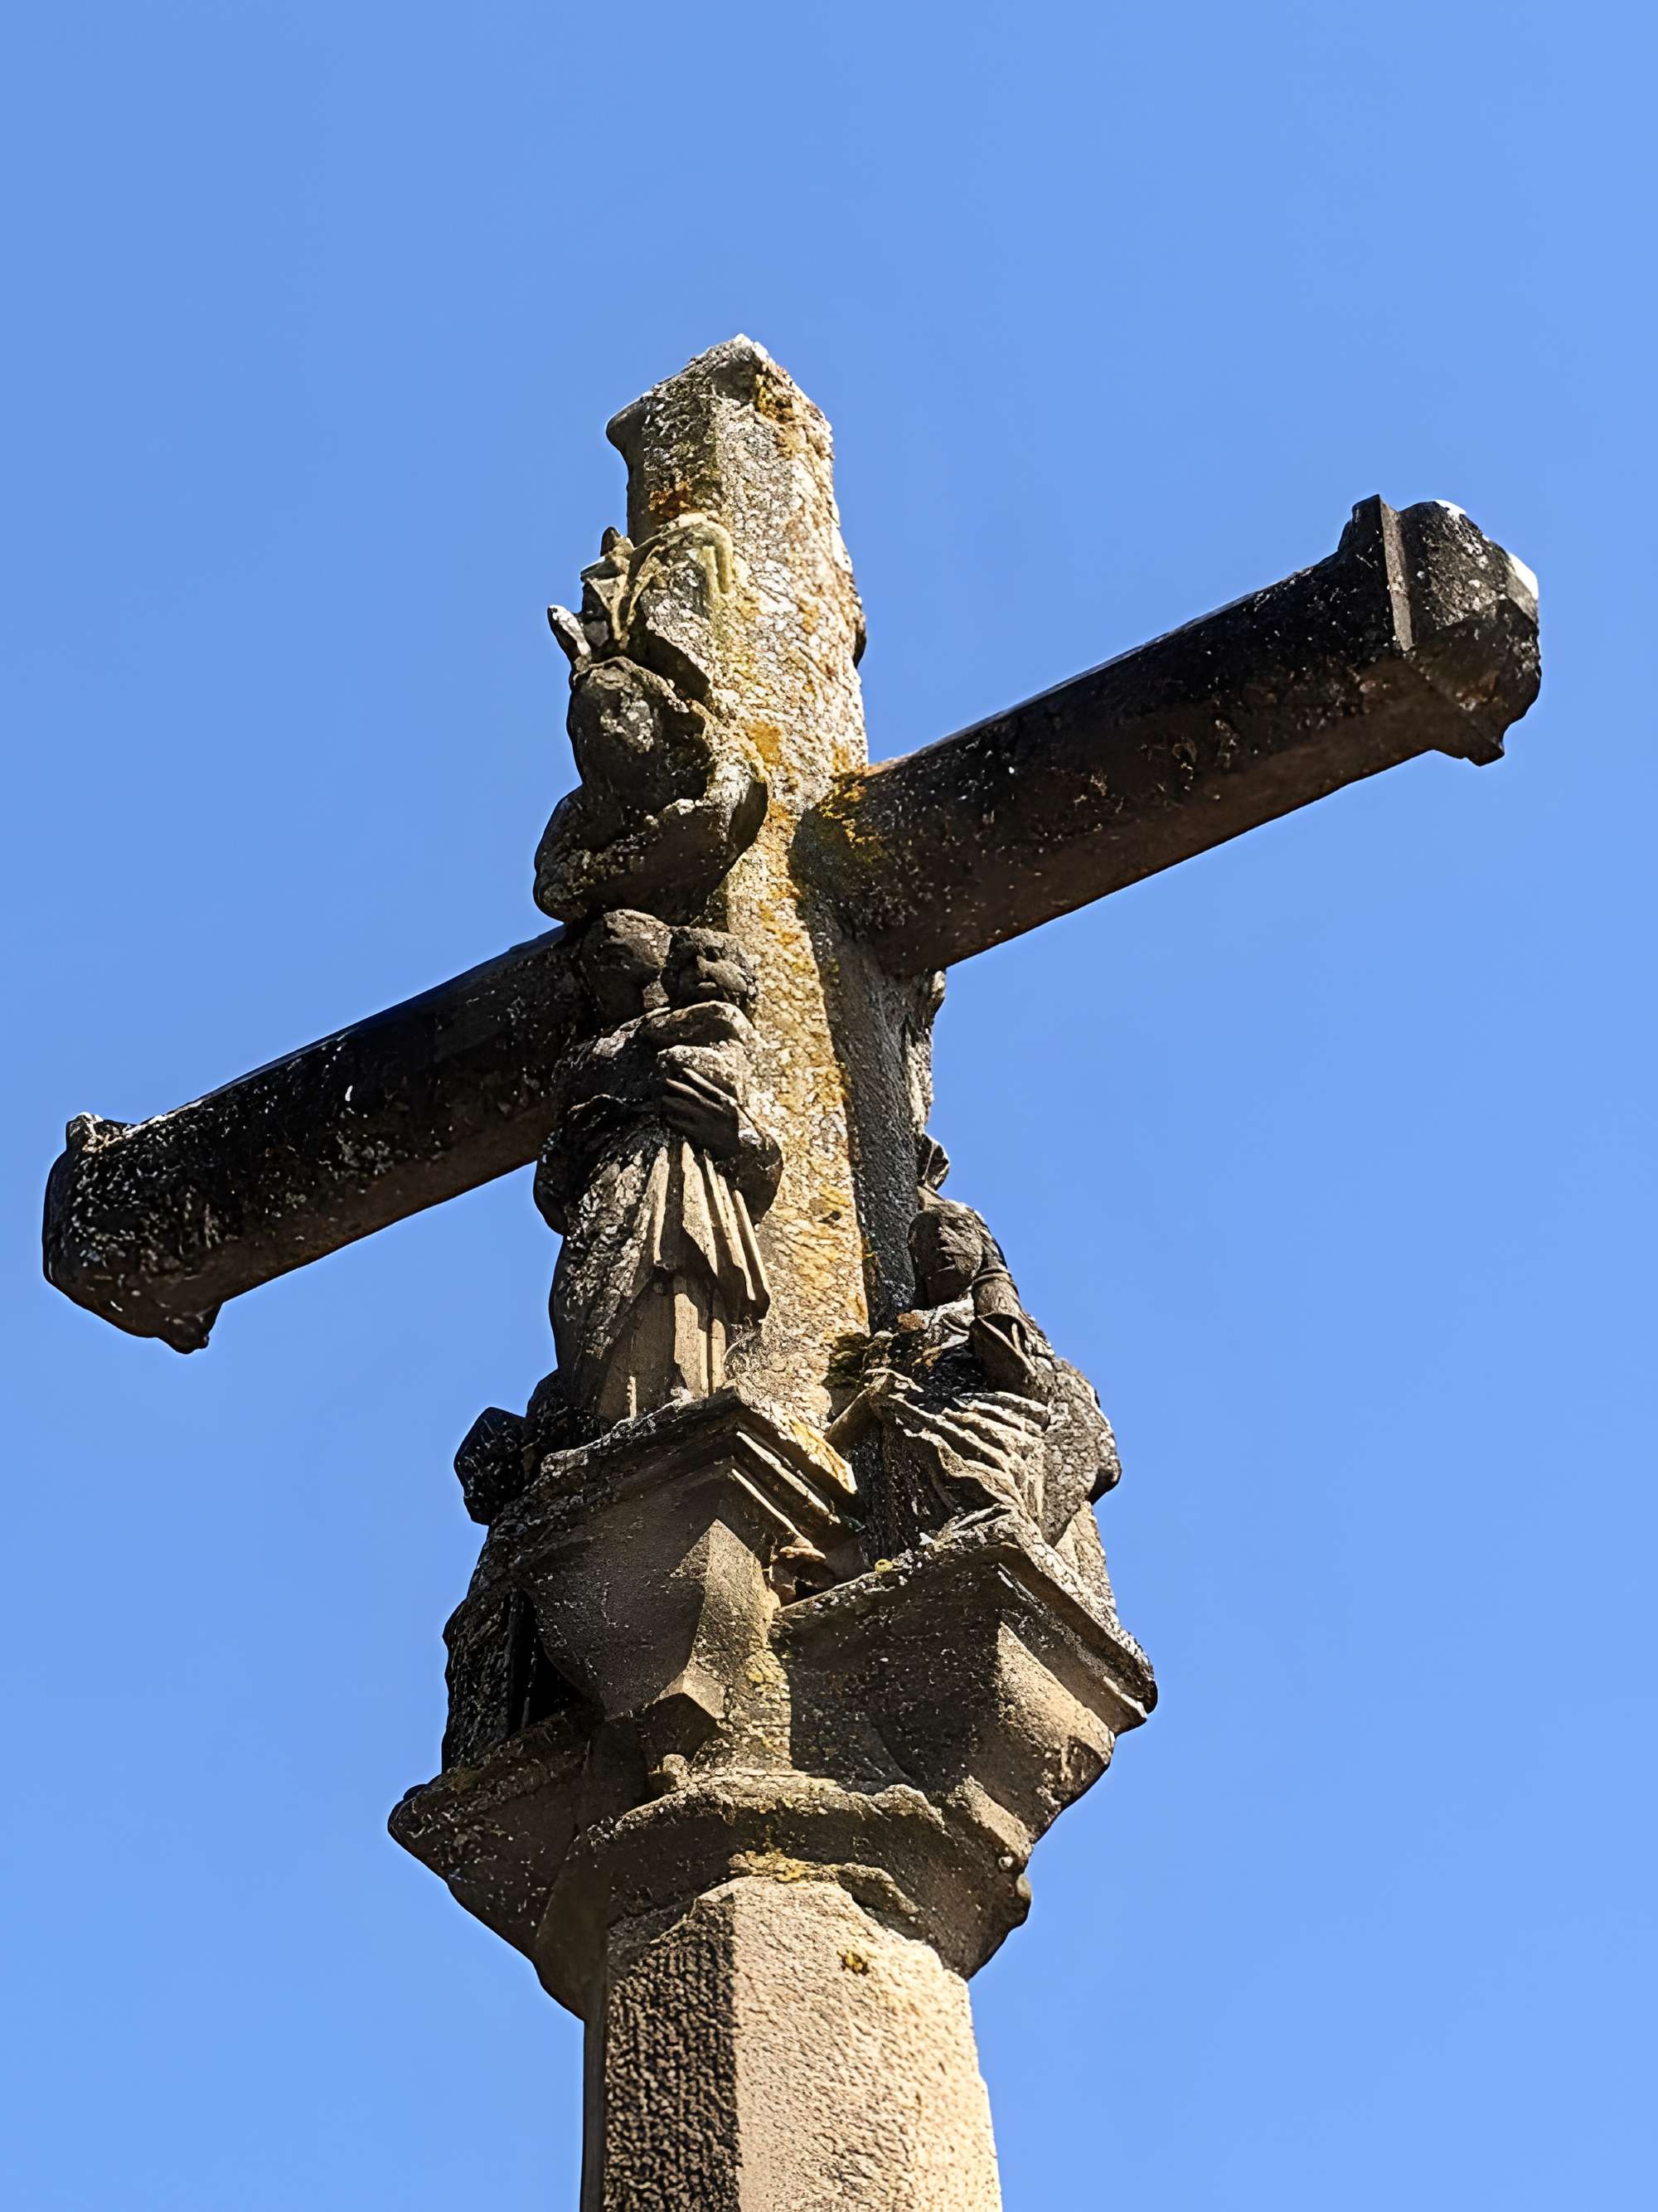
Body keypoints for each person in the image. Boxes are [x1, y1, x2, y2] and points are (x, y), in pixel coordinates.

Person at [533, 917, 782, 1430]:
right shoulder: (585, 1061)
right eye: (596, 959)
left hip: (681, 1175)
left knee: (673, 1276)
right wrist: (575, 1143)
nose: (607, 965)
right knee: (585, 1311)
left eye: (619, 954)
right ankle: (604, 1423)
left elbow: (762, 1145)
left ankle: (673, 1406)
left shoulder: (714, 1029)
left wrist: (738, 1136)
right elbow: (552, 1187)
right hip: (603, 1199)